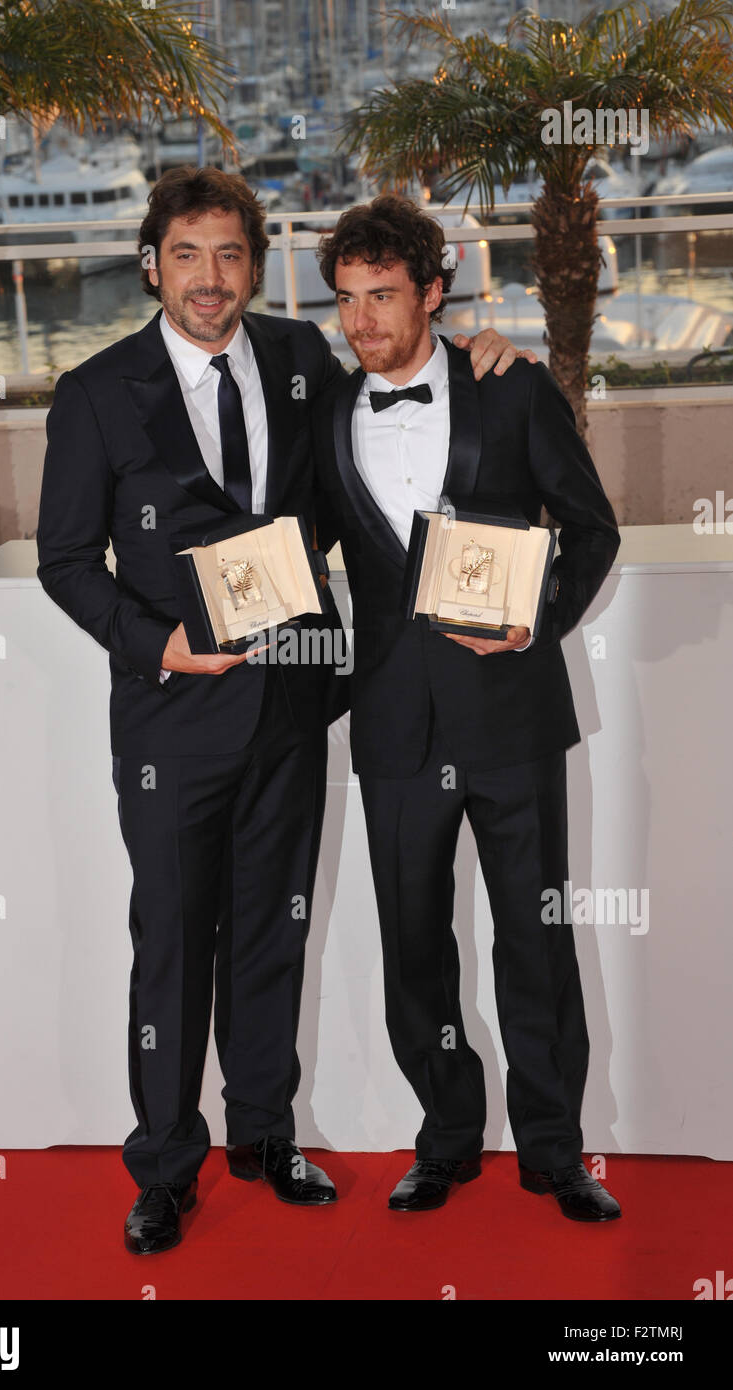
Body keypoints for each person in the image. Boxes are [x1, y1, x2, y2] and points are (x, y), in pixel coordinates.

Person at [36, 165, 532, 1254]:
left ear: (254, 266)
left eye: (229, 255)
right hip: (172, 720)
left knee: (271, 931)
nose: (209, 278)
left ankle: (263, 1135)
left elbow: (408, 381)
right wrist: (153, 641)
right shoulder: (95, 392)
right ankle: (165, 1165)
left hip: (294, 706)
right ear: (151, 265)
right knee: (169, 941)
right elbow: (66, 561)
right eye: (186, 255)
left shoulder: (304, 358)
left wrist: (489, 359)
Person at [311, 193, 623, 1223]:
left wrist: (534, 621)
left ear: (433, 294)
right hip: (394, 726)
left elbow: (591, 531)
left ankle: (554, 1150)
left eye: (384, 296)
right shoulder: (322, 413)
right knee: (413, 944)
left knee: (533, 937)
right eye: (347, 299)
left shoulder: (512, 387)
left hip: (510, 714)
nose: (362, 321)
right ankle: (443, 1139)